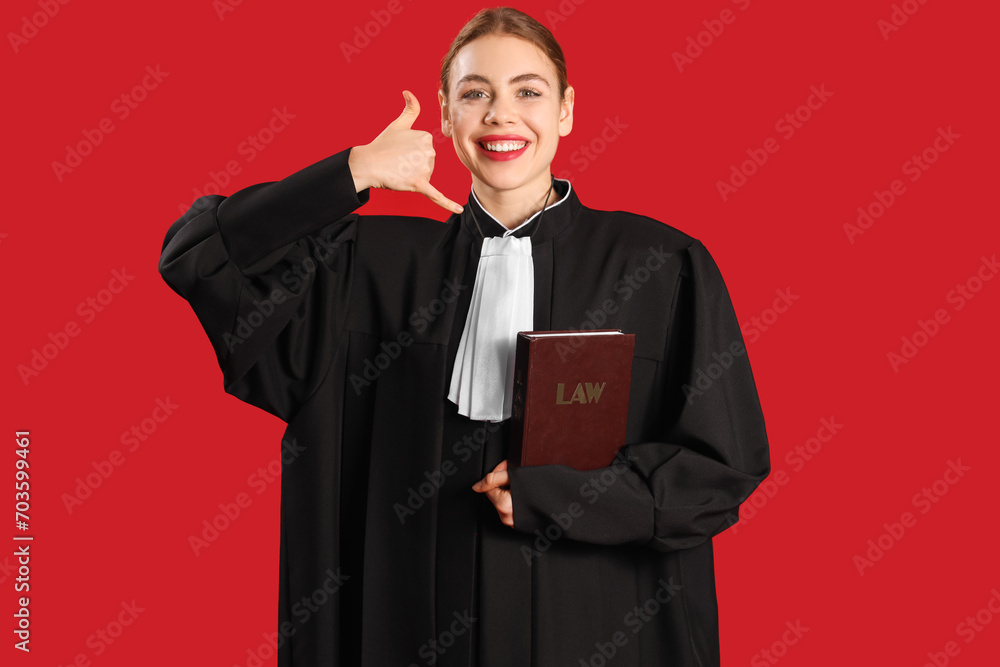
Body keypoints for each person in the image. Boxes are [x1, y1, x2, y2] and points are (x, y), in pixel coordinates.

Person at [158, 6, 769, 666]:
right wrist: (353, 171)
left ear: (565, 111)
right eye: (475, 94)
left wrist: (565, 496)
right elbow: (197, 256)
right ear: (446, 117)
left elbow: (719, 467)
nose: (501, 115)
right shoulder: (364, 263)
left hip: (601, 628)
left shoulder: (660, 265)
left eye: (527, 92)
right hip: (406, 629)